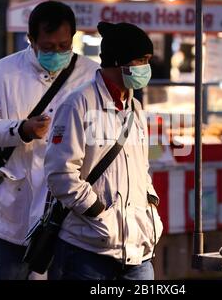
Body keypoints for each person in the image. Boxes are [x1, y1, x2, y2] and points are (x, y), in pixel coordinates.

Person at [0, 1, 99, 280]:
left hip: (70, 212)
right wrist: (21, 130)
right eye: (48, 47)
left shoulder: (91, 75)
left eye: (64, 46)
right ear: (31, 40)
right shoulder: (4, 72)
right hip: (17, 206)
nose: (57, 53)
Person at [44, 22, 163, 280]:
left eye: (148, 60)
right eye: (141, 59)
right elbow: (60, 174)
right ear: (118, 61)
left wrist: (151, 209)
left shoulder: (136, 108)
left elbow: (141, 169)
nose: (146, 67)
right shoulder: (78, 104)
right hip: (87, 251)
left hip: (137, 251)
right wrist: (99, 215)